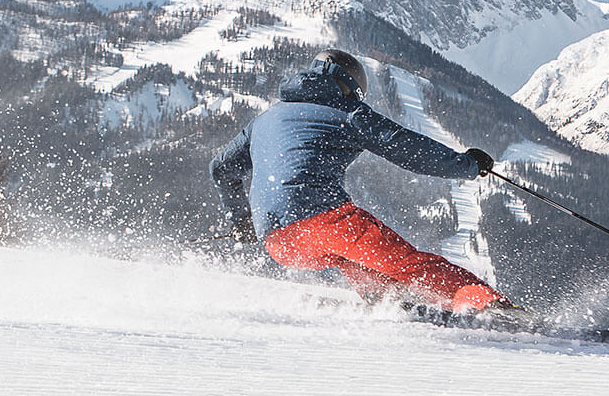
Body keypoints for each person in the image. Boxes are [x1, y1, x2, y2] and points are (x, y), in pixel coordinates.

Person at [211, 48, 510, 313]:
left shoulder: (265, 119)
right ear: (348, 85)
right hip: (322, 220)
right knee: (409, 264)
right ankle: (489, 305)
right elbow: (407, 148)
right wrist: (468, 164)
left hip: (278, 241)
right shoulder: (348, 112)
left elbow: (221, 168)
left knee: (351, 256)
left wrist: (241, 220)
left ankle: (385, 295)